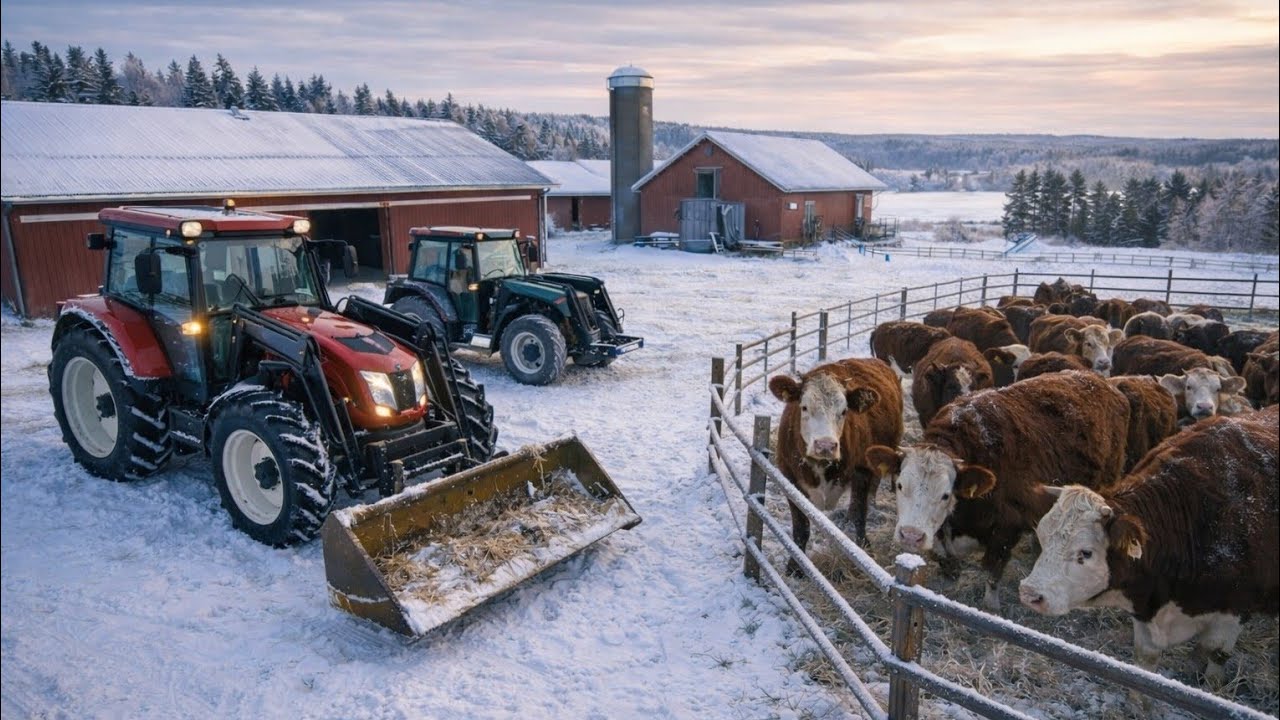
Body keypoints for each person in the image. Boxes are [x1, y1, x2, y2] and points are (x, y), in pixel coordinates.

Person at [450, 244, 478, 336]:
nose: (465, 260)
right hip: (460, 300)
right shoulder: (453, 275)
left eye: (465, 257)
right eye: (463, 257)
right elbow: (455, 288)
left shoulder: (470, 271)